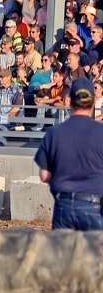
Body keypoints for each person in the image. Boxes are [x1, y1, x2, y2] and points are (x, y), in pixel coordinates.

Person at [34, 84, 103, 230]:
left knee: (62, 252)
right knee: (93, 252)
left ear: (69, 101)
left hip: (63, 204)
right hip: (94, 206)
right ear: (92, 103)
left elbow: (44, 175)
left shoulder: (54, 133)